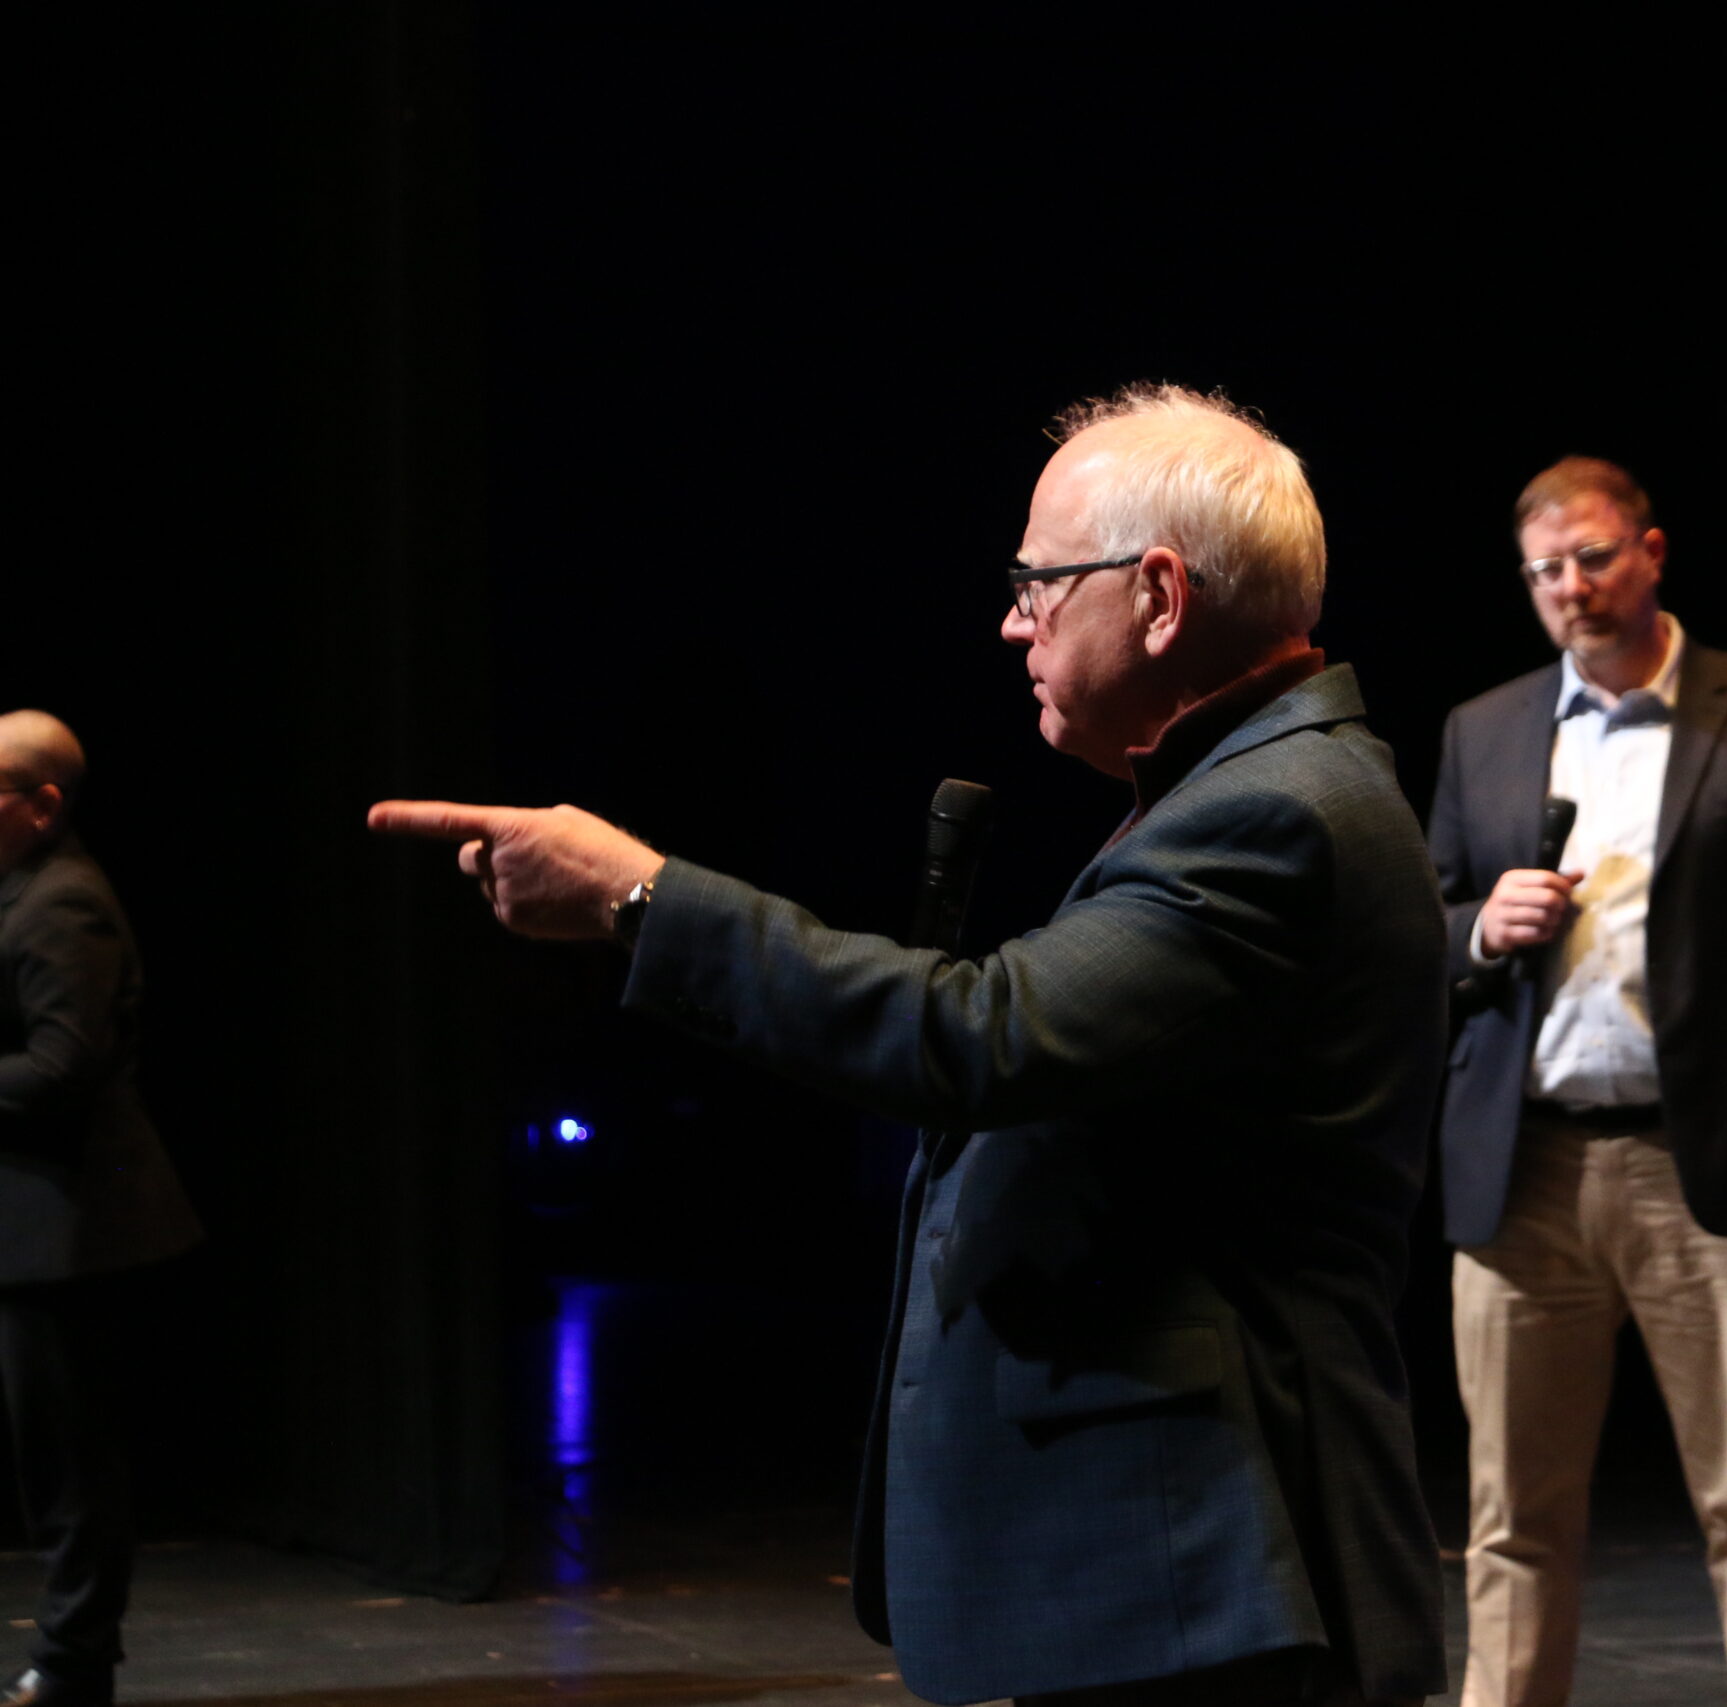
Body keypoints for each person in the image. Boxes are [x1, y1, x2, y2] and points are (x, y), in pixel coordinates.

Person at [370, 385, 1448, 1707]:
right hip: (1178, 1564)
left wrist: (641, 896)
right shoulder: (1252, 788)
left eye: (1039, 582)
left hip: (1217, 1557)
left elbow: (981, 1033)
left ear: (1159, 595)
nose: (1013, 620)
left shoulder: (1275, 812)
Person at [1427, 457, 1727, 1707]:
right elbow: (1418, 939)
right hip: (1522, 1175)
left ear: (1653, 551)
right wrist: (1472, 926)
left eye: (1594, 557)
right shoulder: (1486, 729)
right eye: (1544, 570)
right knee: (1512, 1515)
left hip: (1713, 1173)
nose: (1572, 587)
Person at [1, 711, 205, 1707]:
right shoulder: (22, 891)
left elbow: (62, 1068)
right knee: (50, 1457)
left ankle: (76, 1667)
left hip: (71, 1229)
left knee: (72, 1463)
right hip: (34, 1227)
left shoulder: (60, 902)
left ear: (41, 806)